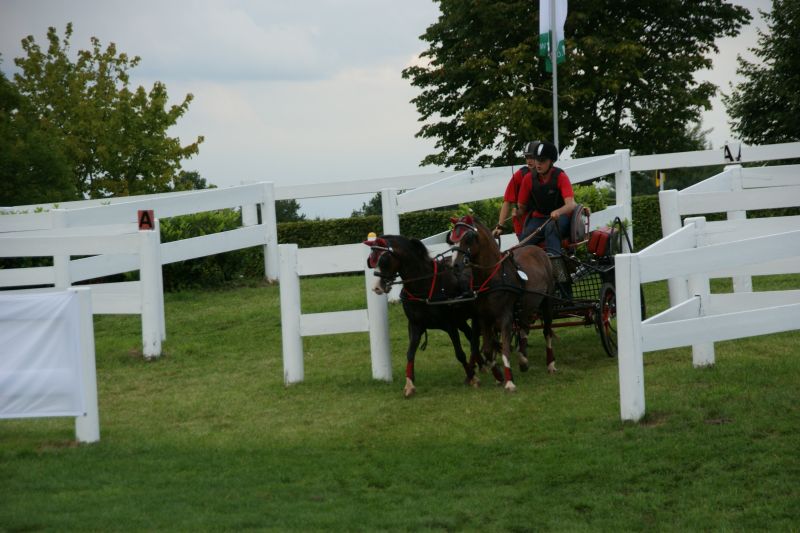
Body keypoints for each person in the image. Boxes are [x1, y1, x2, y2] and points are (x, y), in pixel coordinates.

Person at [516, 140, 576, 256]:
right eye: (537, 160)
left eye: (542, 161)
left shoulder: (560, 177)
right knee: (524, 240)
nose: (538, 164)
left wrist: (558, 212)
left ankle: (556, 263)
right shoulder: (528, 178)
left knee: (551, 229)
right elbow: (521, 206)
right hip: (539, 218)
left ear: (551, 161)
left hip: (561, 217)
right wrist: (518, 211)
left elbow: (571, 205)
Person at [492, 141, 540, 240]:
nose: (529, 161)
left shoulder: (547, 174)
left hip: (541, 218)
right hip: (522, 223)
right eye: (527, 157)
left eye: (532, 157)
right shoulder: (519, 175)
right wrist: (500, 226)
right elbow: (507, 202)